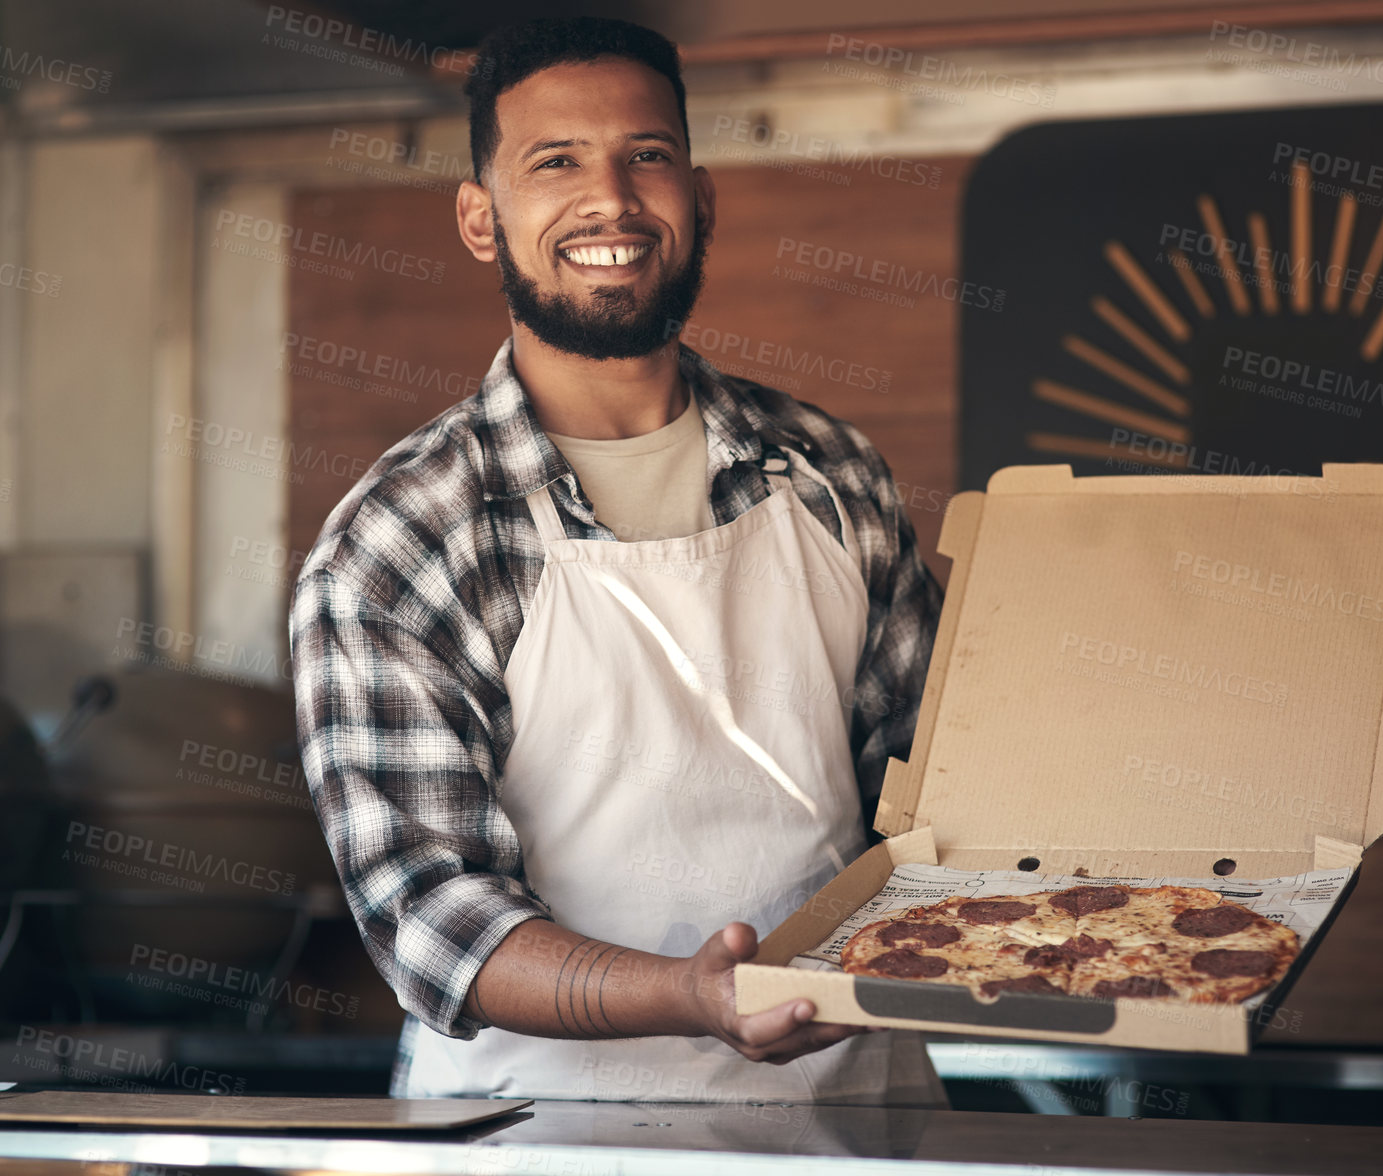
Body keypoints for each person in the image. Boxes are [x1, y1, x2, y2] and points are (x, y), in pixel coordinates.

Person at [290, 15, 946, 1105]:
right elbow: (431, 917)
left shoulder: (830, 472)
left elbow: (924, 793)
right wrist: (691, 995)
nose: (611, 199)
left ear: (702, 196)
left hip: (848, 1124)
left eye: (647, 155)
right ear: (479, 218)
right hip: (547, 1136)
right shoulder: (403, 540)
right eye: (556, 162)